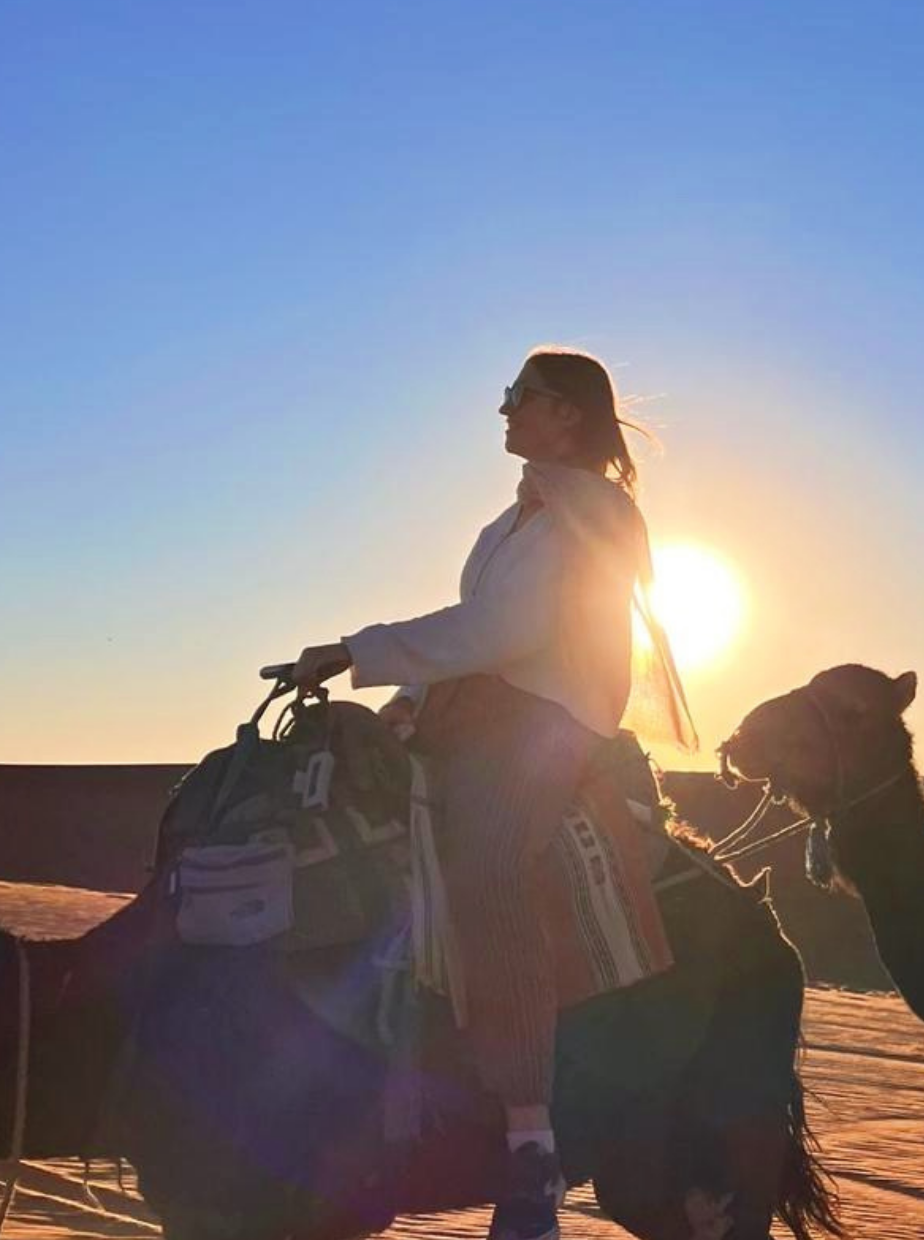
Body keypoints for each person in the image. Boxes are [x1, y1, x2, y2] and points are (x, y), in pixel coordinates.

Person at [291, 346, 695, 1240]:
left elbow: (510, 629)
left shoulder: (592, 512)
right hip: (477, 713)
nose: (505, 411)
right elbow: (470, 638)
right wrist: (400, 700)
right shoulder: (508, 524)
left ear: (568, 417)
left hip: (548, 725)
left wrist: (358, 649)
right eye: (507, 396)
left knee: (488, 867)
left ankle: (529, 1145)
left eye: (522, 397)